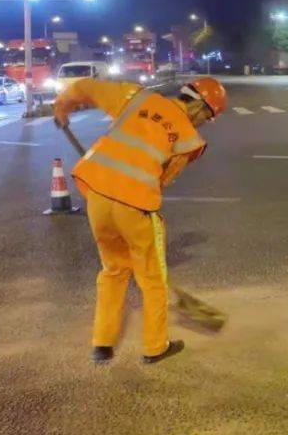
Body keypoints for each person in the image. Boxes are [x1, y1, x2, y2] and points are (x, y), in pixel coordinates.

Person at [53, 77, 227, 364]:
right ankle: (155, 347)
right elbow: (163, 179)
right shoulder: (189, 139)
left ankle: (103, 344)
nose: (204, 123)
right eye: (207, 117)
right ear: (199, 107)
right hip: (135, 205)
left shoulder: (137, 97)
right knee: (152, 279)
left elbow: (85, 86)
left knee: (113, 271)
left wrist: (63, 106)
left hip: (98, 195)